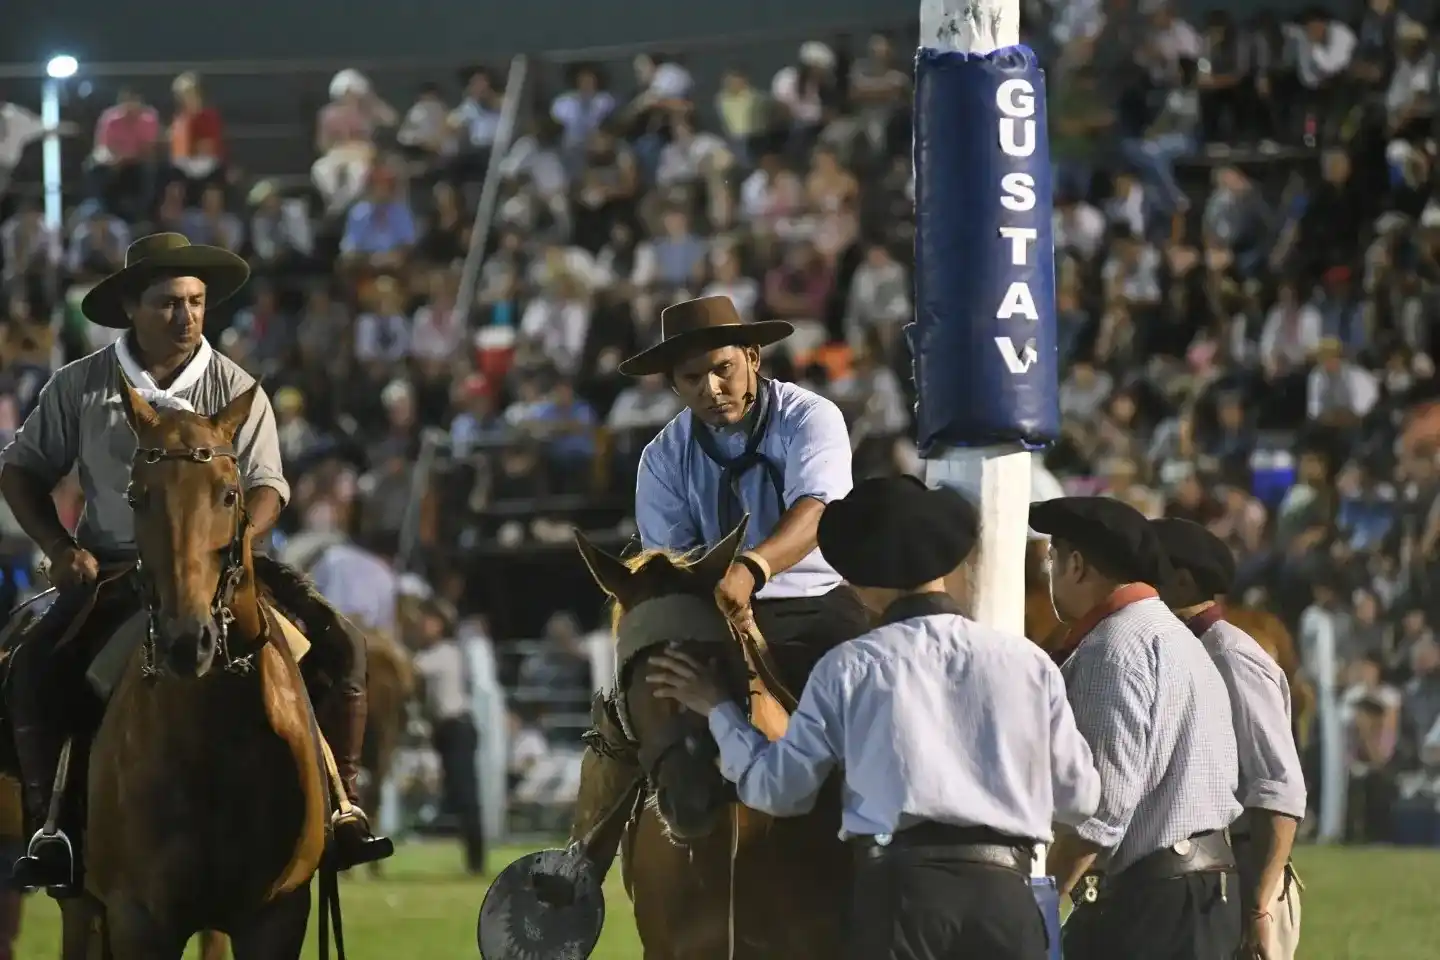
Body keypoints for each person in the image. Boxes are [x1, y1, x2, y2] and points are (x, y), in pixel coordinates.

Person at [0, 232, 388, 890]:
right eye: (169, 303)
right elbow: (20, 471)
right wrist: (61, 550)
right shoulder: (81, 387)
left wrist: (238, 538)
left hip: (226, 567)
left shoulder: (239, 388)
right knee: (32, 666)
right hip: (115, 569)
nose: (186, 316)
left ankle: (343, 805)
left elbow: (270, 486)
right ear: (130, 307)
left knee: (342, 647)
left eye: (196, 302)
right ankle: (51, 828)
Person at [647, 475, 1102, 960]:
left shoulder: (848, 668)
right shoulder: (1026, 662)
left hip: (902, 897)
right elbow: (1081, 797)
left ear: (860, 583)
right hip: (1007, 898)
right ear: (944, 565)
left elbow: (780, 791)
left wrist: (718, 709)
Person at [575, 294, 873, 840]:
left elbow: (820, 510)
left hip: (817, 603)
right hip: (711, 612)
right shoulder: (661, 457)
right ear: (672, 385)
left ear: (753, 358)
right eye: (691, 379)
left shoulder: (810, 417)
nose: (710, 389)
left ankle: (880, 836)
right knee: (624, 710)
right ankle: (583, 859)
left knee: (870, 705)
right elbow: (672, 564)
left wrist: (753, 568)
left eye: (723, 370)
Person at [1030, 496, 1243, 960]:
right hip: (1199, 892)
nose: (1050, 577)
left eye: (1053, 561)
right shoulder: (1172, 635)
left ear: (1078, 566)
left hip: (1155, 904)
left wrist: (1039, 901)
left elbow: (1102, 809)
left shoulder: (1113, 647)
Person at [1152, 517, 1306, 960]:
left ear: (1181, 582)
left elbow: (1279, 790)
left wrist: (1258, 909)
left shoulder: (1230, 656)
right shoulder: (1189, 650)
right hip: (1206, 881)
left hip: (1238, 881)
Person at [412, 595, 486, 875]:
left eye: (428, 620)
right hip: (447, 730)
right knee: (461, 792)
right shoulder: (437, 654)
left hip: (456, 727)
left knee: (466, 793)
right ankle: (473, 859)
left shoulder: (444, 653)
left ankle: (475, 860)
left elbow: (414, 670)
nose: (422, 625)